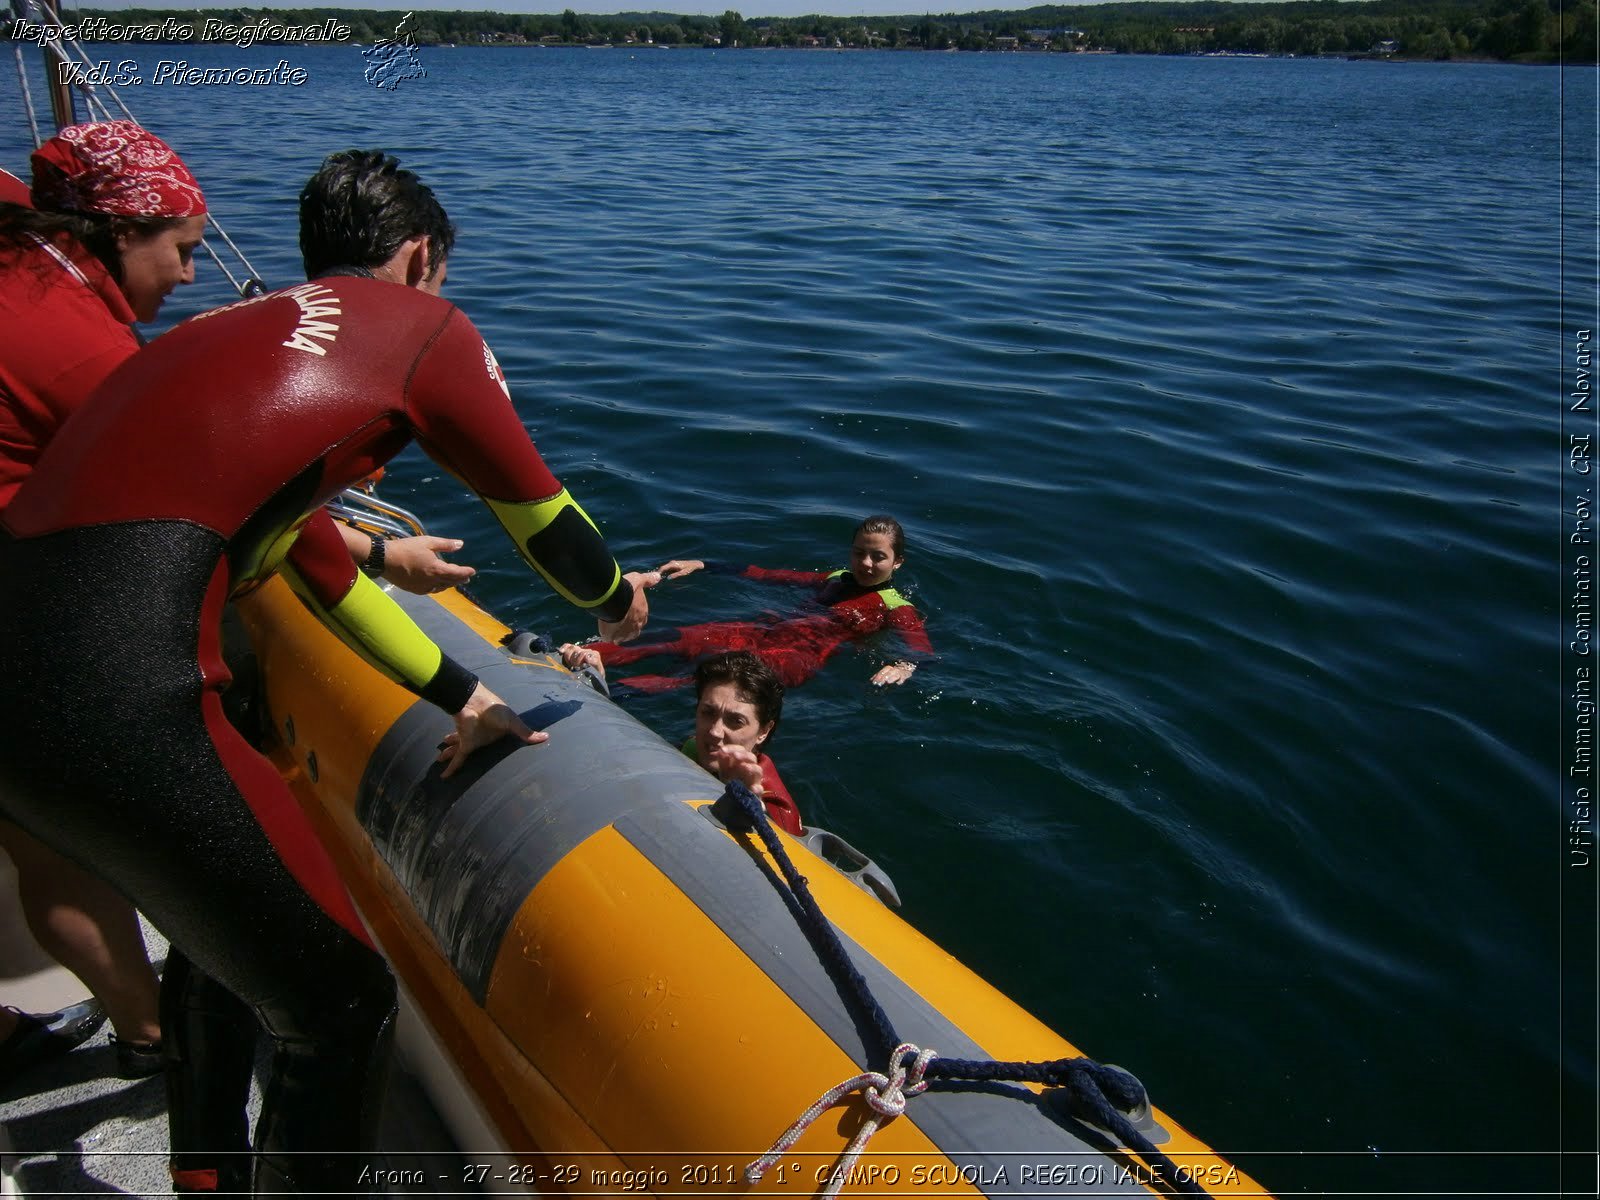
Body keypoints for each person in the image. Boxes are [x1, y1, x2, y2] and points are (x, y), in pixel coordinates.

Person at [0, 147, 648, 1194]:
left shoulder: (229, 344)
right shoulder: (427, 329)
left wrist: (462, 694)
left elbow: (321, 568)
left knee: (221, 948)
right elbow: (547, 527)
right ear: (421, 256)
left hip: (20, 683)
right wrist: (618, 602)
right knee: (341, 1006)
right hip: (115, 695)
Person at [595, 514, 932, 691]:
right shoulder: (832, 578)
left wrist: (904, 665)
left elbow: (922, 650)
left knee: (705, 677)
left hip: (800, 655)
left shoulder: (896, 606)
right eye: (860, 552)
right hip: (765, 629)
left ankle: (623, 693)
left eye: (879, 556)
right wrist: (703, 565)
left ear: (897, 562)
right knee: (677, 638)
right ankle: (584, 656)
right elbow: (765, 574)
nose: (867, 563)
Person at [561, 646, 803, 834]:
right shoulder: (691, 750)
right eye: (708, 713)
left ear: (764, 730)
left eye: (735, 721)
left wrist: (743, 804)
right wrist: (593, 684)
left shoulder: (777, 810)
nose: (715, 732)